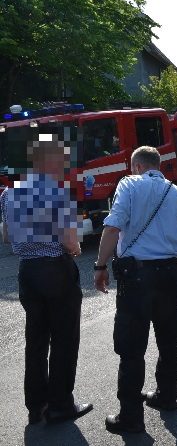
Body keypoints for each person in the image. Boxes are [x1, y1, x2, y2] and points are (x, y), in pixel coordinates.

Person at [93, 146, 177, 434]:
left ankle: (131, 417)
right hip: (170, 275)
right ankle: (166, 397)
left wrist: (100, 266)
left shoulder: (129, 184)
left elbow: (113, 228)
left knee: (131, 350)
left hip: (137, 279)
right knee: (170, 342)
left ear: (138, 166)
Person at [0, 134, 93, 425]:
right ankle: (61, 405)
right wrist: (75, 248)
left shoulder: (7, 193)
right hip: (55, 269)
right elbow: (68, 238)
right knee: (64, 339)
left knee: (36, 340)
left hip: (27, 271)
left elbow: (5, 235)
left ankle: (35, 405)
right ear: (50, 159)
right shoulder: (55, 191)